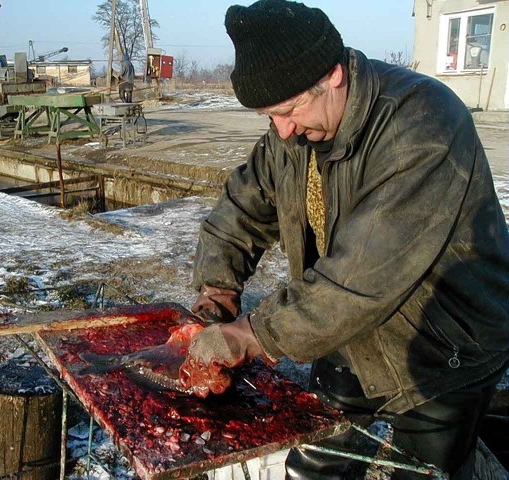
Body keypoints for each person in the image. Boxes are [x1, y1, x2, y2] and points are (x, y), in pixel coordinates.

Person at [179, 1, 509, 478]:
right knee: (316, 462)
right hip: (347, 330)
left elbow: (363, 274)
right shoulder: (289, 134)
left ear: (333, 76)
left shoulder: (423, 122)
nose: (283, 130)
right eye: (270, 117)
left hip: (442, 344)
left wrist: (255, 333)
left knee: (424, 471)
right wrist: (217, 293)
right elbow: (242, 210)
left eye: (290, 111)